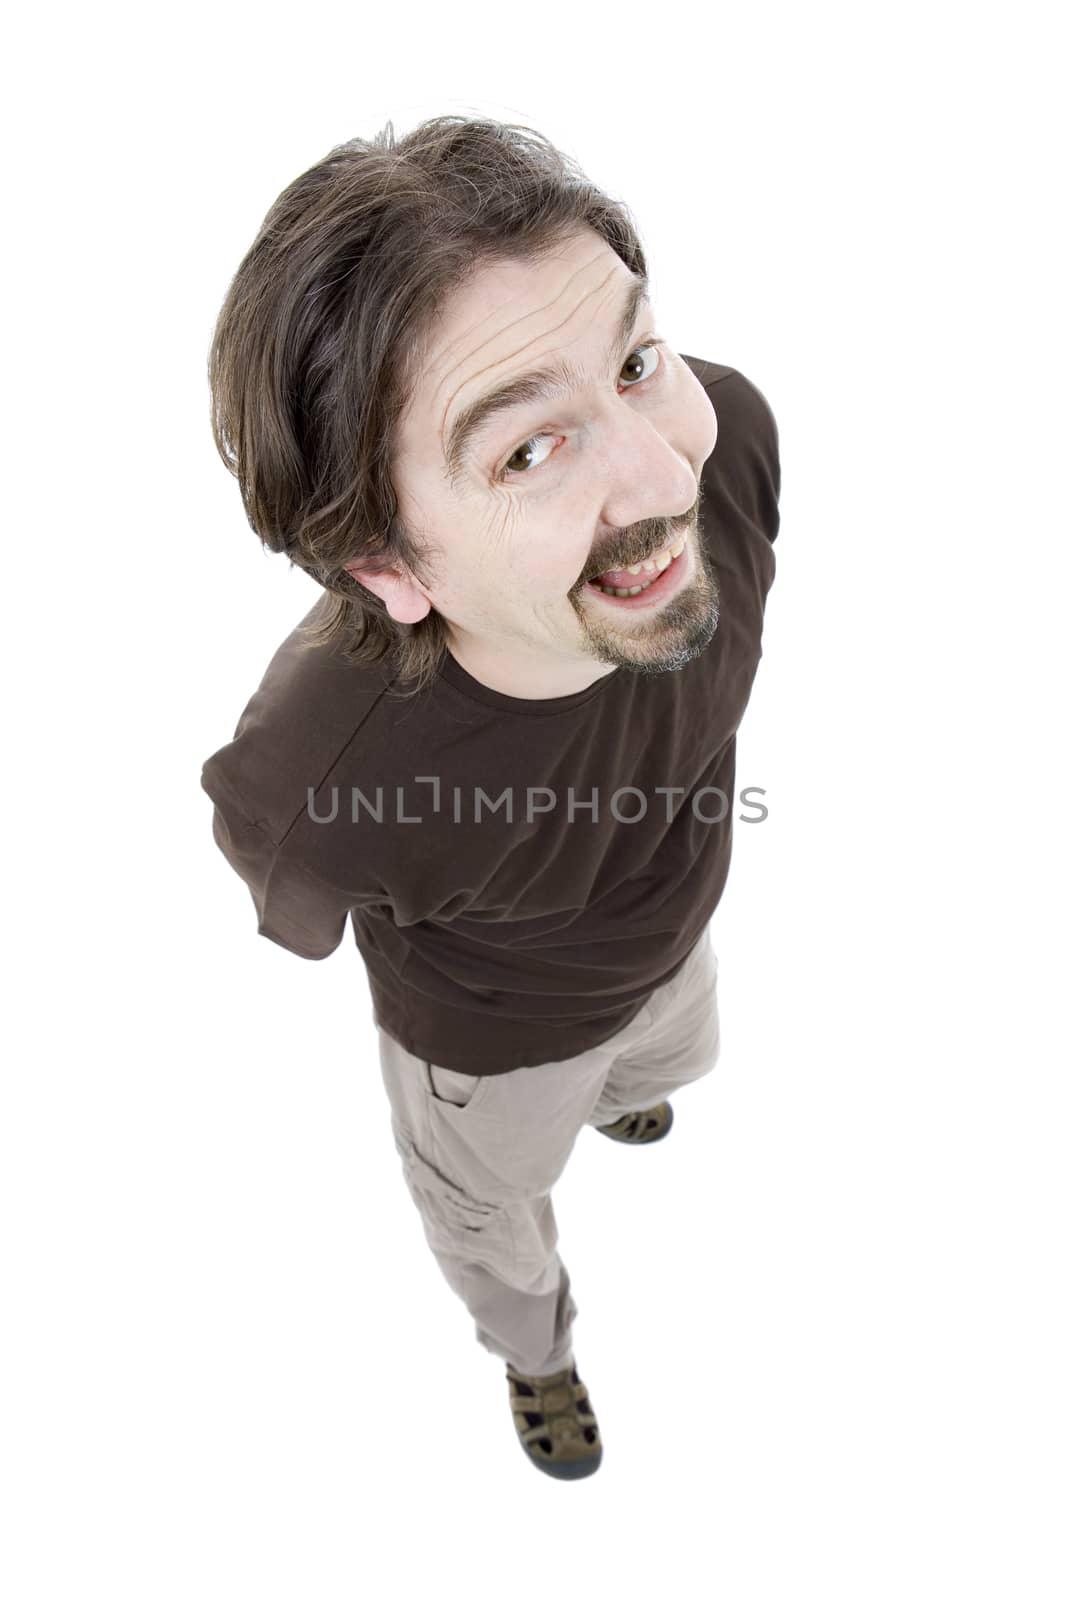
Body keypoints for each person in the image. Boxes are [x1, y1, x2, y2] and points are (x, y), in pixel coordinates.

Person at [200, 115, 781, 1480]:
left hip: (673, 925)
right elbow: (287, 894)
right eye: (529, 450)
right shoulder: (312, 775)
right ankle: (539, 1355)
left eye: (637, 362)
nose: (659, 474)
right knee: (493, 1214)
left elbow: (690, 446)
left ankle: (633, 1091)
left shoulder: (731, 438)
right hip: (496, 1045)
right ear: (386, 568)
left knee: (668, 1053)